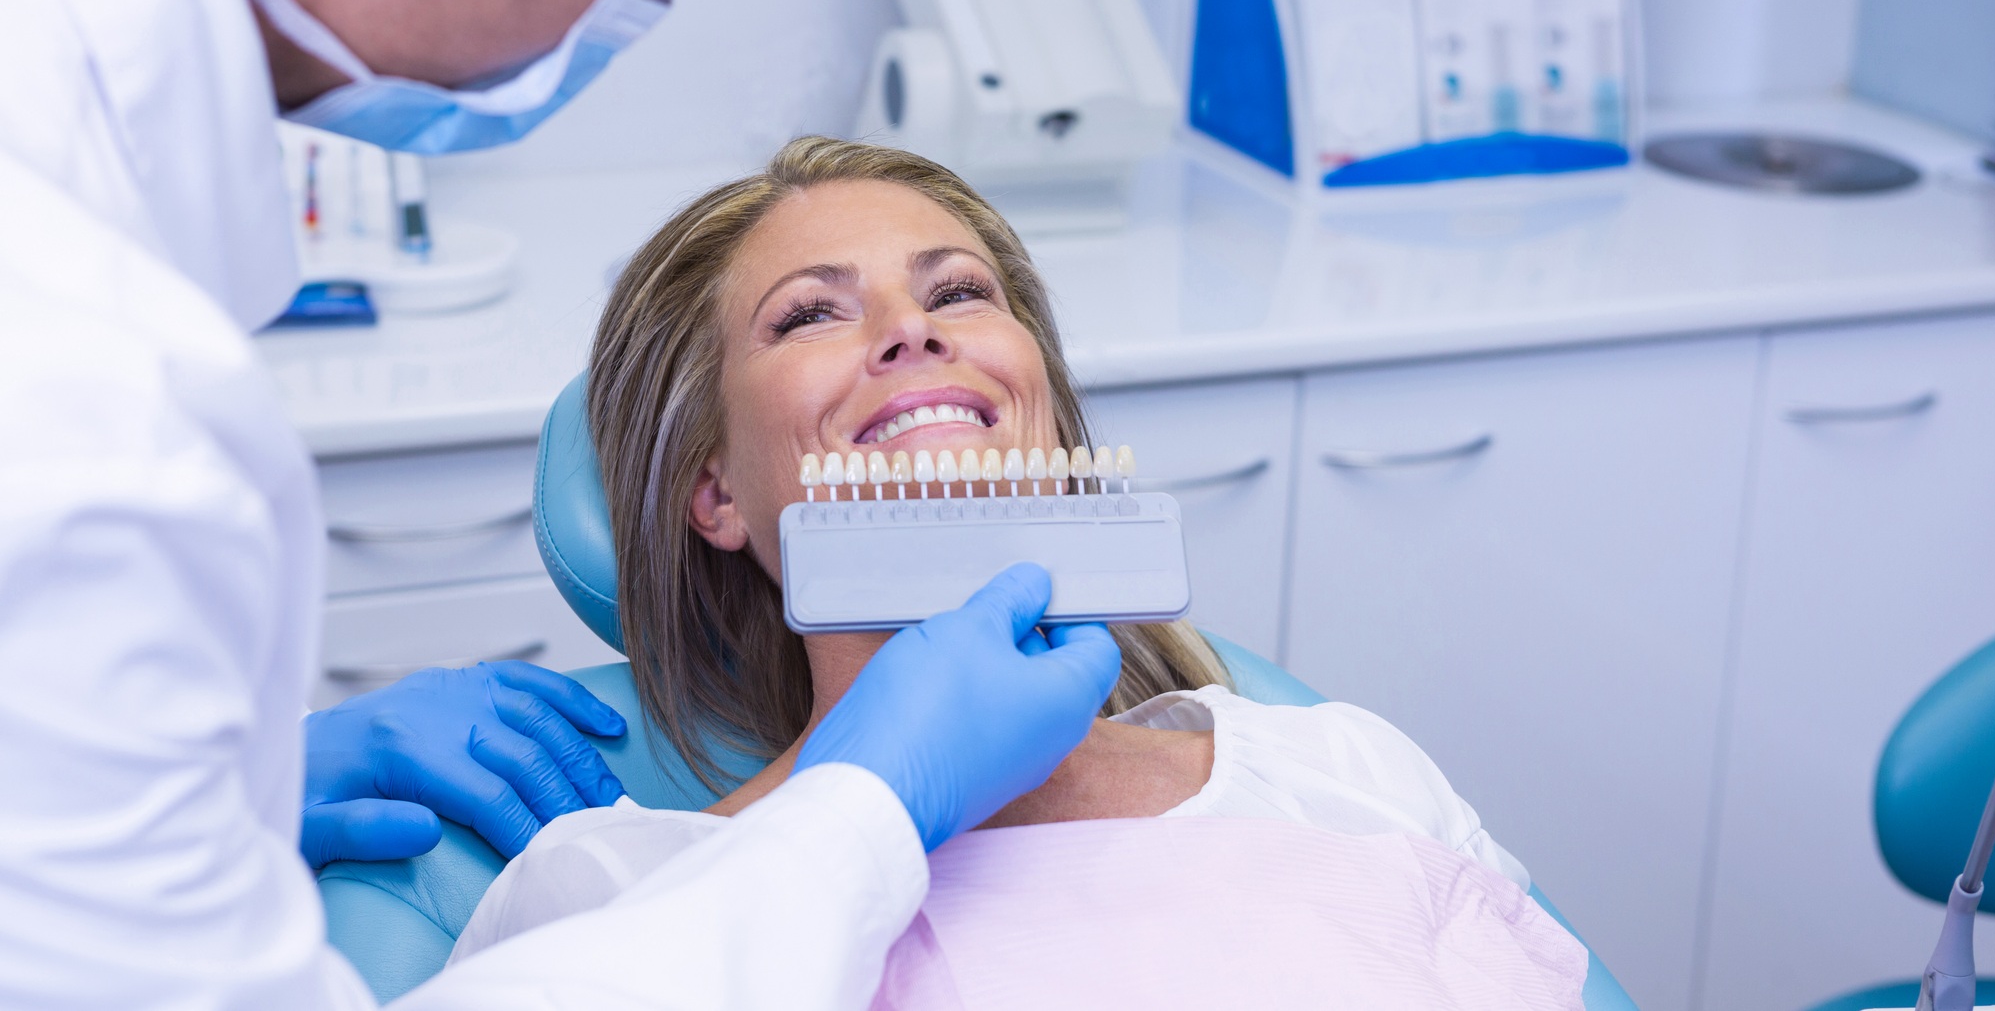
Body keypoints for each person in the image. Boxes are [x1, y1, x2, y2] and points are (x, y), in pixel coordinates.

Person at [0, 0, 1128, 1007]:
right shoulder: (80, 404)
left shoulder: (1328, 767)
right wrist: (858, 806)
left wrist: (215, 770)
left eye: (962, 292)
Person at [444, 137, 1539, 971]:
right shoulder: (604, 894)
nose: (911, 330)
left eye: (958, 292)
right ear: (713, 490)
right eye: (808, 315)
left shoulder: (1345, 773)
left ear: (1047, 415)